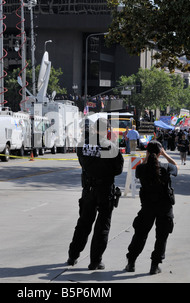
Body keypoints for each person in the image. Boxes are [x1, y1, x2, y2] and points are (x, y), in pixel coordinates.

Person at [67, 117, 124, 270]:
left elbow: (82, 162)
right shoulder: (111, 147)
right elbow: (118, 169)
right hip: (105, 190)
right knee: (102, 227)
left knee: (83, 224)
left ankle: (73, 256)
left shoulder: (82, 145)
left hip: (89, 190)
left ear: (93, 129)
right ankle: (95, 261)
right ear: (107, 130)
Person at [124, 140, 178, 274]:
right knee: (162, 236)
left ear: (147, 152)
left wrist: (147, 157)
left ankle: (131, 263)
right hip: (164, 207)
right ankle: (154, 265)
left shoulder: (141, 168)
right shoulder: (166, 167)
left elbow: (140, 169)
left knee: (140, 234)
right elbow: (176, 167)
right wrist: (164, 154)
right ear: (160, 153)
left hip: (148, 206)